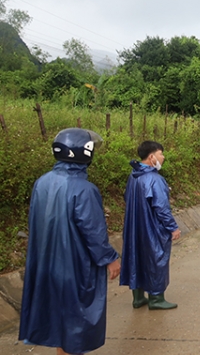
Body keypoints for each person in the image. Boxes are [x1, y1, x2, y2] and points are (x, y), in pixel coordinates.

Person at [19, 128, 121, 355]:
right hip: (74, 265)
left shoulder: (42, 183)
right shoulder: (84, 189)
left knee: (60, 321)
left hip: (48, 263)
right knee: (76, 321)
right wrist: (110, 258)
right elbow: (93, 232)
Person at [120, 140, 181, 310]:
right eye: (161, 154)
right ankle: (156, 298)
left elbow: (127, 198)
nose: (163, 157)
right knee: (156, 259)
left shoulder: (133, 176)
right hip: (152, 227)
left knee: (136, 258)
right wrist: (173, 227)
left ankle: (138, 298)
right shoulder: (154, 179)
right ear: (152, 156)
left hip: (134, 227)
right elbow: (161, 208)